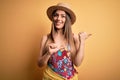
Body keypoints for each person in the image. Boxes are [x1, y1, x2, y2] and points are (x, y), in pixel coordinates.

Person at [38, 3, 91, 80]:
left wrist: (82, 41)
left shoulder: (74, 38)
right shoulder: (45, 38)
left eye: (63, 16)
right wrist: (48, 53)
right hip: (49, 77)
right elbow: (39, 64)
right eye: (56, 15)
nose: (59, 19)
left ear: (67, 19)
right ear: (53, 17)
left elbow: (77, 63)